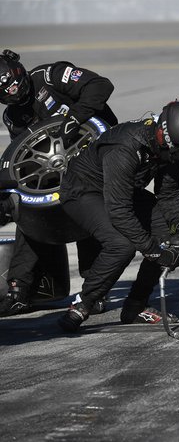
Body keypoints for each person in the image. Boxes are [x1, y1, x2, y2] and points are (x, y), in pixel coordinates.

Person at [56, 101, 179, 332]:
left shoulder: (167, 149)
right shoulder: (125, 149)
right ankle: (83, 304)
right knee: (122, 244)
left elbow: (167, 193)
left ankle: (135, 306)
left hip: (120, 192)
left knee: (172, 237)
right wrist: (155, 251)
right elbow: (119, 212)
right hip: (83, 191)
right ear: (167, 139)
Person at [0, 49, 119, 317]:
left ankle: (94, 290)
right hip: (57, 170)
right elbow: (23, 158)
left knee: (87, 211)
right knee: (27, 209)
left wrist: (75, 117)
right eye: (3, 90)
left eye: (11, 80)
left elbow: (101, 85)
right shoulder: (12, 117)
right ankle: (19, 291)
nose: (12, 89)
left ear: (18, 69)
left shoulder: (51, 76)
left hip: (101, 152)